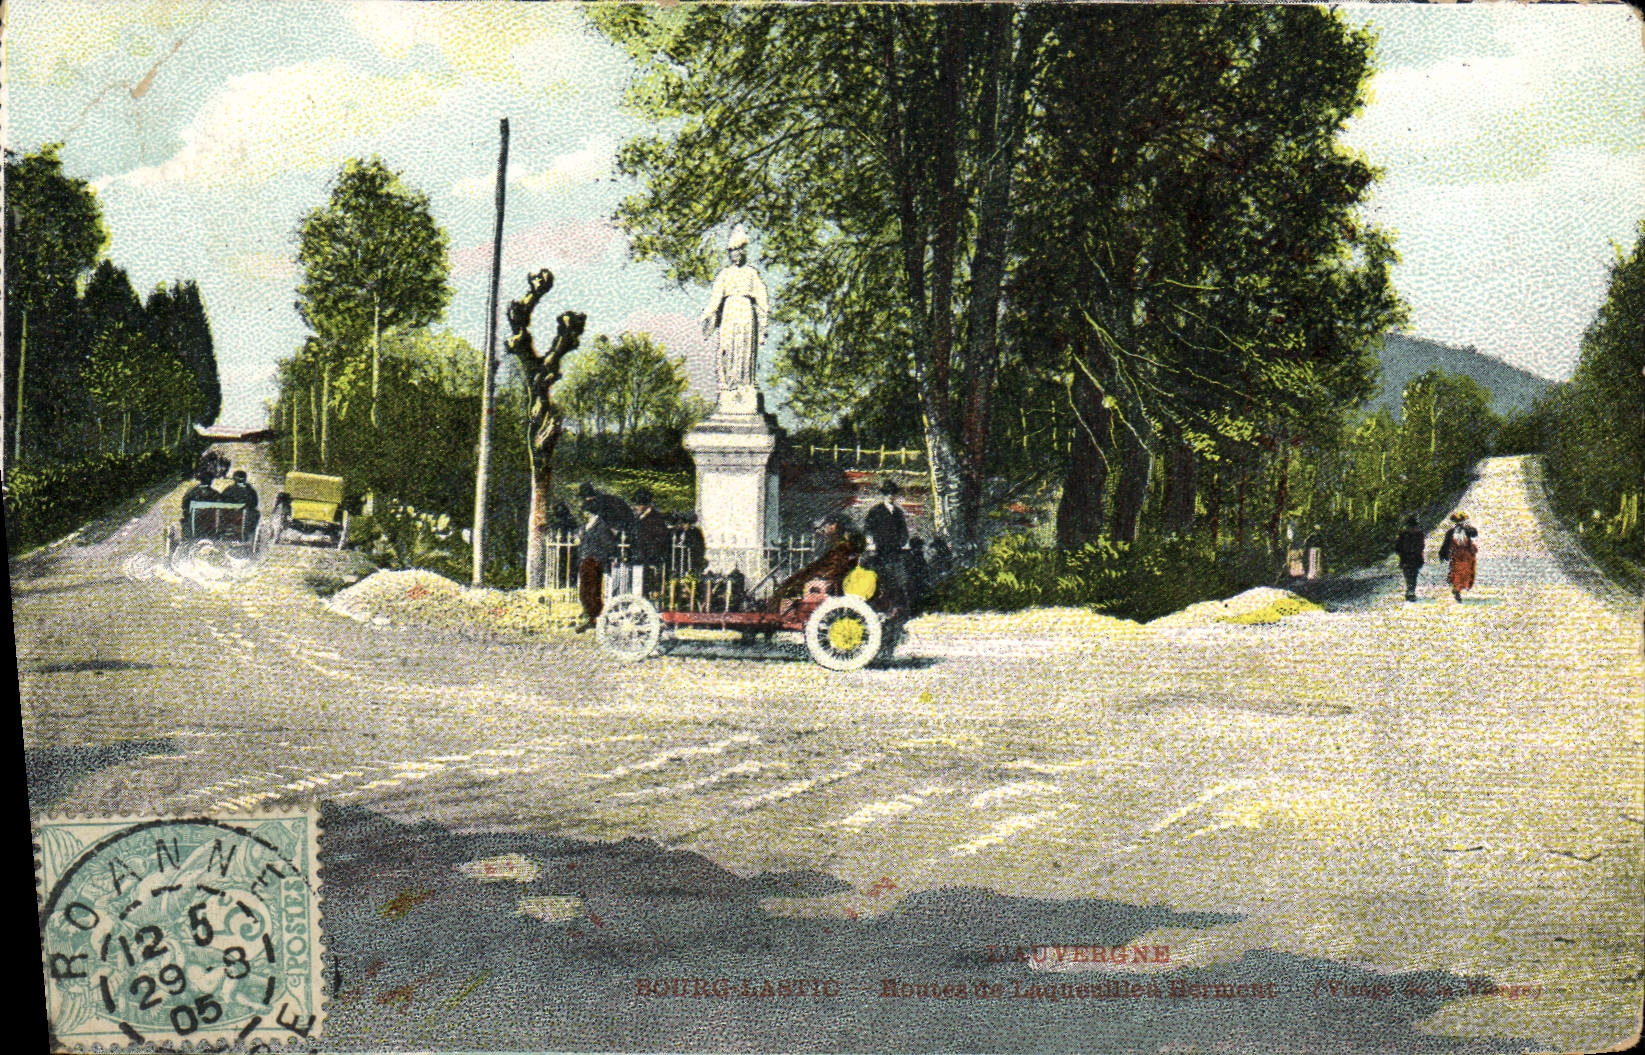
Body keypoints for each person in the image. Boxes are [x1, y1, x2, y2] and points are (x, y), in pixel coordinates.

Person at [700, 224, 770, 400]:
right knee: (727, 348)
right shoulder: (724, 274)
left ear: (743, 252)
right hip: (730, 313)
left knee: (744, 348)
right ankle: (728, 385)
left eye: (738, 250)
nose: (735, 254)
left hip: (746, 313)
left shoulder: (752, 273)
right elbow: (715, 301)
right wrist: (707, 316)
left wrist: (763, 326)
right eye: (732, 251)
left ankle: (744, 386)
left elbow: (762, 301)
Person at [768, 512, 865, 609]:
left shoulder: (842, 548)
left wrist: (811, 577)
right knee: (788, 585)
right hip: (820, 579)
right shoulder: (841, 546)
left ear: (834, 527)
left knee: (788, 588)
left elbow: (831, 570)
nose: (824, 529)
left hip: (823, 583)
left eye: (827, 525)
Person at [863, 478, 910, 611]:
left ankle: (895, 608)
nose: (890, 496)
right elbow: (867, 529)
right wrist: (871, 543)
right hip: (880, 552)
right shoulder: (875, 511)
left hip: (895, 551)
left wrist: (900, 543)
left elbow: (904, 532)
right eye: (888, 493)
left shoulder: (898, 513)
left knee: (896, 580)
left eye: (893, 493)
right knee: (880, 579)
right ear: (883, 495)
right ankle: (879, 608)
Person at [576, 504, 619, 632]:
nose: (583, 515)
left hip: (594, 562)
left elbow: (609, 545)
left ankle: (595, 617)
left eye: (585, 512)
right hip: (586, 561)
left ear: (590, 513)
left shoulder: (601, 526)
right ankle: (591, 616)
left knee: (592, 591)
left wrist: (598, 558)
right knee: (585, 591)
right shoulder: (587, 526)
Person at [631, 488, 671, 594]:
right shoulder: (639, 518)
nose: (636, 508)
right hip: (639, 558)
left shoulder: (656, 519)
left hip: (649, 560)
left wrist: (649, 558)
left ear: (645, 505)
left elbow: (659, 541)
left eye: (638, 505)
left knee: (646, 588)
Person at [1438, 511, 1480, 603]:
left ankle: (1458, 588)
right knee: (1457, 573)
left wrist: (1467, 527)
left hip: (1467, 557)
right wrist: (1443, 553)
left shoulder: (1467, 530)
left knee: (1466, 573)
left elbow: (1474, 533)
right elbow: (1446, 544)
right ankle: (1457, 590)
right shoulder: (1451, 532)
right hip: (1456, 556)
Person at [220, 470, 260, 541]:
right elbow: (255, 503)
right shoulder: (251, 491)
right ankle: (249, 533)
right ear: (245, 479)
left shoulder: (229, 490)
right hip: (243, 517)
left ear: (234, 479)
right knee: (256, 513)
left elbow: (222, 501)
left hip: (231, 517)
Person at [1393, 515, 1426, 602]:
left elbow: (1421, 546)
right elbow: (1397, 547)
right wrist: (1402, 553)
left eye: (1414, 527)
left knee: (1413, 575)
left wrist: (1415, 552)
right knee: (1408, 576)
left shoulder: (1419, 535)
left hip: (1415, 559)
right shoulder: (1403, 535)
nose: (1412, 529)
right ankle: (1410, 591)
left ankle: (1411, 591)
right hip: (1406, 559)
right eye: (1410, 527)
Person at [180, 470, 221, 536]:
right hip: (211, 525)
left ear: (200, 480)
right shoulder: (215, 494)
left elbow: (184, 507)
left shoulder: (191, 492)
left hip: (194, 524)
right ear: (211, 481)